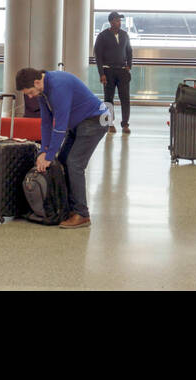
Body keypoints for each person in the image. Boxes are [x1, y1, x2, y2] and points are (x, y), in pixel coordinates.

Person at [16, 67, 109, 230]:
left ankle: (82, 214)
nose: (30, 96)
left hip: (95, 121)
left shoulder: (58, 86)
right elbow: (46, 122)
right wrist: (44, 151)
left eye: (30, 92)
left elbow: (59, 126)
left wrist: (49, 156)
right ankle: (67, 208)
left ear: (37, 82)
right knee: (64, 160)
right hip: (78, 123)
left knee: (74, 164)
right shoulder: (42, 91)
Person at [94, 12, 133, 135]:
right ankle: (110, 123)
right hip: (108, 71)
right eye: (117, 20)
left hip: (122, 71)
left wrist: (129, 66)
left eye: (120, 21)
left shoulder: (125, 35)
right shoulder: (102, 36)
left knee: (125, 98)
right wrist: (101, 74)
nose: (119, 22)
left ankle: (125, 123)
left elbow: (129, 51)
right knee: (108, 98)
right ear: (111, 22)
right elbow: (98, 57)